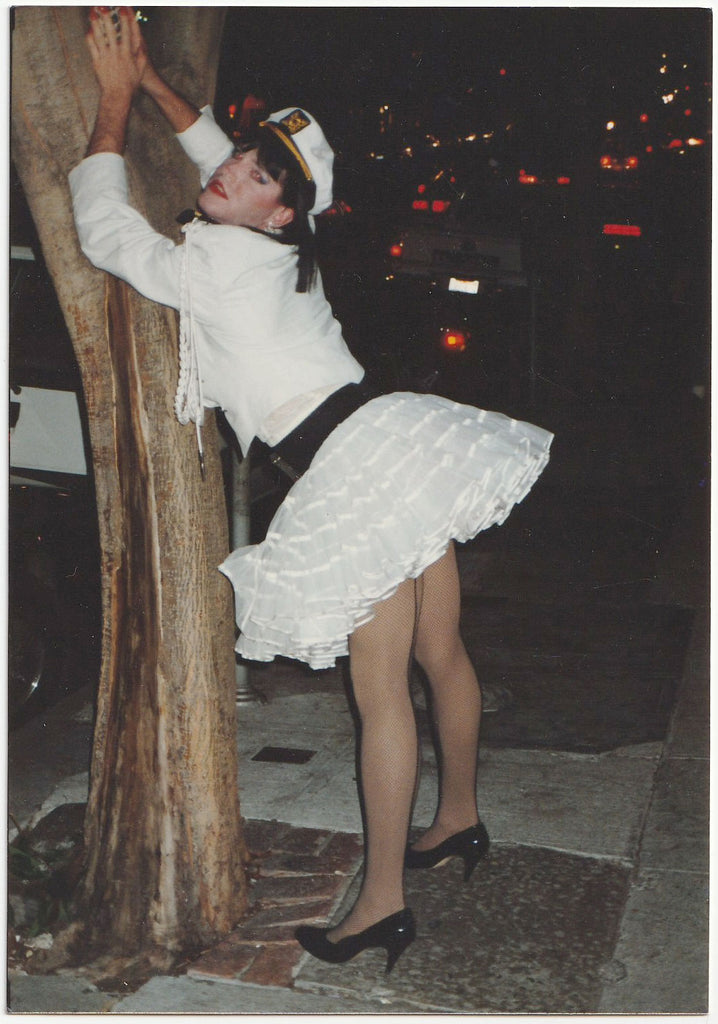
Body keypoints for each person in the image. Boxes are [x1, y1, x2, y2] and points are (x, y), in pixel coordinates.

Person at [71, 8, 553, 974]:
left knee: (382, 694)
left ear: (280, 212)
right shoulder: (284, 248)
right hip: (391, 441)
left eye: (259, 178)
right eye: (243, 161)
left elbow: (102, 229)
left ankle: (382, 905)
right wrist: (161, 86)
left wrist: (117, 98)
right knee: (440, 652)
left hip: (354, 472)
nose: (231, 173)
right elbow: (224, 159)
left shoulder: (215, 260)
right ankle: (458, 818)